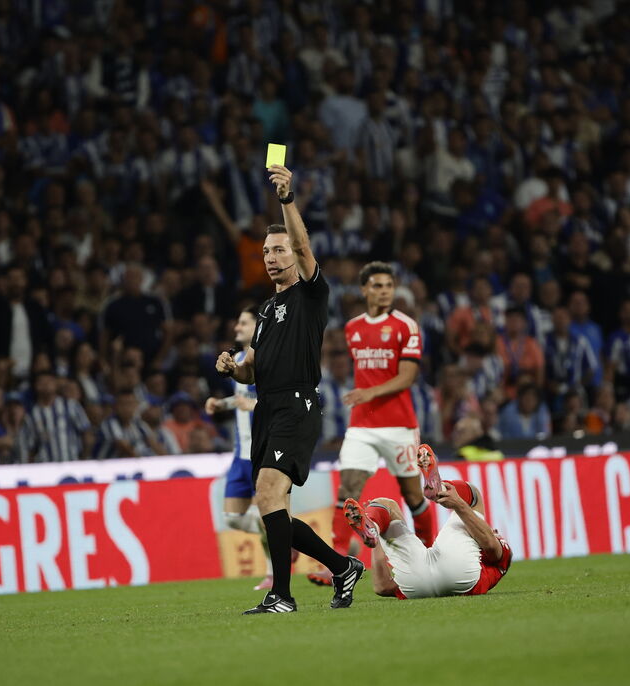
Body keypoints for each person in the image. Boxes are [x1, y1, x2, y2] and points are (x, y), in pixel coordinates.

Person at [215, 163, 363, 614]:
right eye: (266, 252)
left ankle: (281, 595)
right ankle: (342, 567)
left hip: (297, 404)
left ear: (295, 257)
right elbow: (253, 373)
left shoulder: (311, 295)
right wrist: (234, 368)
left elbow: (303, 244)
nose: (271, 257)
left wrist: (286, 198)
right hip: (268, 406)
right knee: (271, 504)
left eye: (279, 250)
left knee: (268, 493)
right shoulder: (265, 310)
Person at [314, 261, 434, 588]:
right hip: (362, 425)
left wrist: (369, 392)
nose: (384, 291)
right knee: (348, 488)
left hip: (399, 424)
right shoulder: (352, 329)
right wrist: (365, 397)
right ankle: (336, 562)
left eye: (389, 286)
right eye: (378, 286)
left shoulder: (406, 326)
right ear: (364, 289)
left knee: (413, 495)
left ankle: (428, 554)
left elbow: (407, 377)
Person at [343, 444, 512, 600]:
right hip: (455, 577)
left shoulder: (499, 547)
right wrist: (377, 536)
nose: (495, 531)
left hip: (420, 582)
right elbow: (381, 587)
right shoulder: (494, 558)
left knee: (472, 497)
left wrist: (459, 504)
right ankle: (374, 526)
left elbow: (490, 544)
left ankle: (437, 491)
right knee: (387, 508)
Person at [205, 308, 276, 591]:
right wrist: (220, 404)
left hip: (263, 450)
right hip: (240, 455)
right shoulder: (236, 360)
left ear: (258, 327)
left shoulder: (269, 358)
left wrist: (256, 405)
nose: (237, 327)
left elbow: (280, 401)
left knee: (264, 516)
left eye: (244, 322)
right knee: (233, 519)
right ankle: (287, 535)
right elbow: (241, 398)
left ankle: (272, 574)